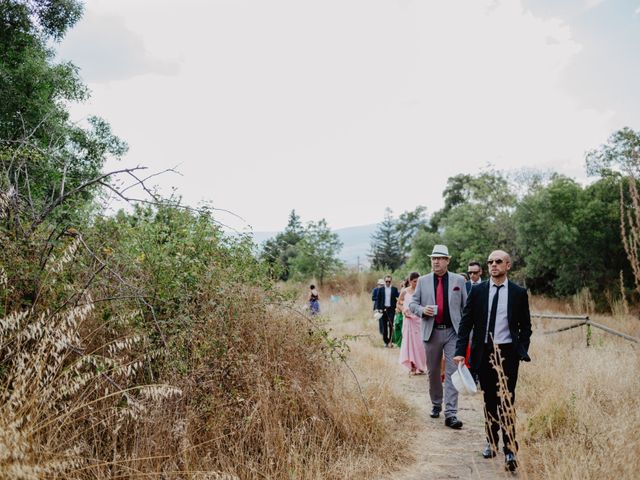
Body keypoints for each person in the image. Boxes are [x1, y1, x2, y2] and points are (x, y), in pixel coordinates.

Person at [453, 250, 531, 472]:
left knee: (507, 400)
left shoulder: (518, 293)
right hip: (483, 352)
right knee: (489, 400)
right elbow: (466, 323)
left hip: (508, 353)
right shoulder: (478, 292)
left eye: (498, 261)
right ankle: (491, 441)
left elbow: (526, 327)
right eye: (490, 262)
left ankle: (510, 450)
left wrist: (521, 350)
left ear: (507, 265)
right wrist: (460, 351)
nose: (493, 265)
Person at [409, 245, 467, 429]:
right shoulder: (423, 281)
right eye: (433, 258)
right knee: (433, 371)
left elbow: (466, 308)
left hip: (453, 332)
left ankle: (451, 413)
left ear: (447, 260)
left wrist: (468, 334)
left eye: (440, 258)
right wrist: (422, 310)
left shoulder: (459, 280)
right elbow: (412, 305)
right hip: (431, 331)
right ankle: (436, 403)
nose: (436, 261)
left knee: (452, 372)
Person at [399, 272, 426, 375]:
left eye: (418, 281)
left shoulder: (422, 291)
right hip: (409, 321)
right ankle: (413, 366)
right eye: (415, 281)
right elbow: (399, 303)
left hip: (419, 320)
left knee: (420, 344)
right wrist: (404, 310)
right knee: (409, 343)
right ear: (410, 281)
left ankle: (421, 365)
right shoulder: (404, 291)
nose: (417, 283)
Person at [375, 275, 399, 348]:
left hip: (391, 309)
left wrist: (397, 307)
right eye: (386, 281)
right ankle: (386, 341)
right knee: (384, 326)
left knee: (391, 325)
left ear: (391, 281)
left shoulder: (394, 289)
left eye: (389, 281)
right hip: (383, 309)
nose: (388, 282)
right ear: (384, 281)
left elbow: (397, 298)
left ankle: (391, 341)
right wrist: (378, 309)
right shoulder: (381, 289)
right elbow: (378, 300)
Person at [392, 278, 408, 348]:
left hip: (405, 313)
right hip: (399, 313)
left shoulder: (410, 291)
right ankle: (399, 343)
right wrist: (398, 307)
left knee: (403, 330)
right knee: (397, 328)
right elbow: (398, 302)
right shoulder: (402, 290)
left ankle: (403, 345)